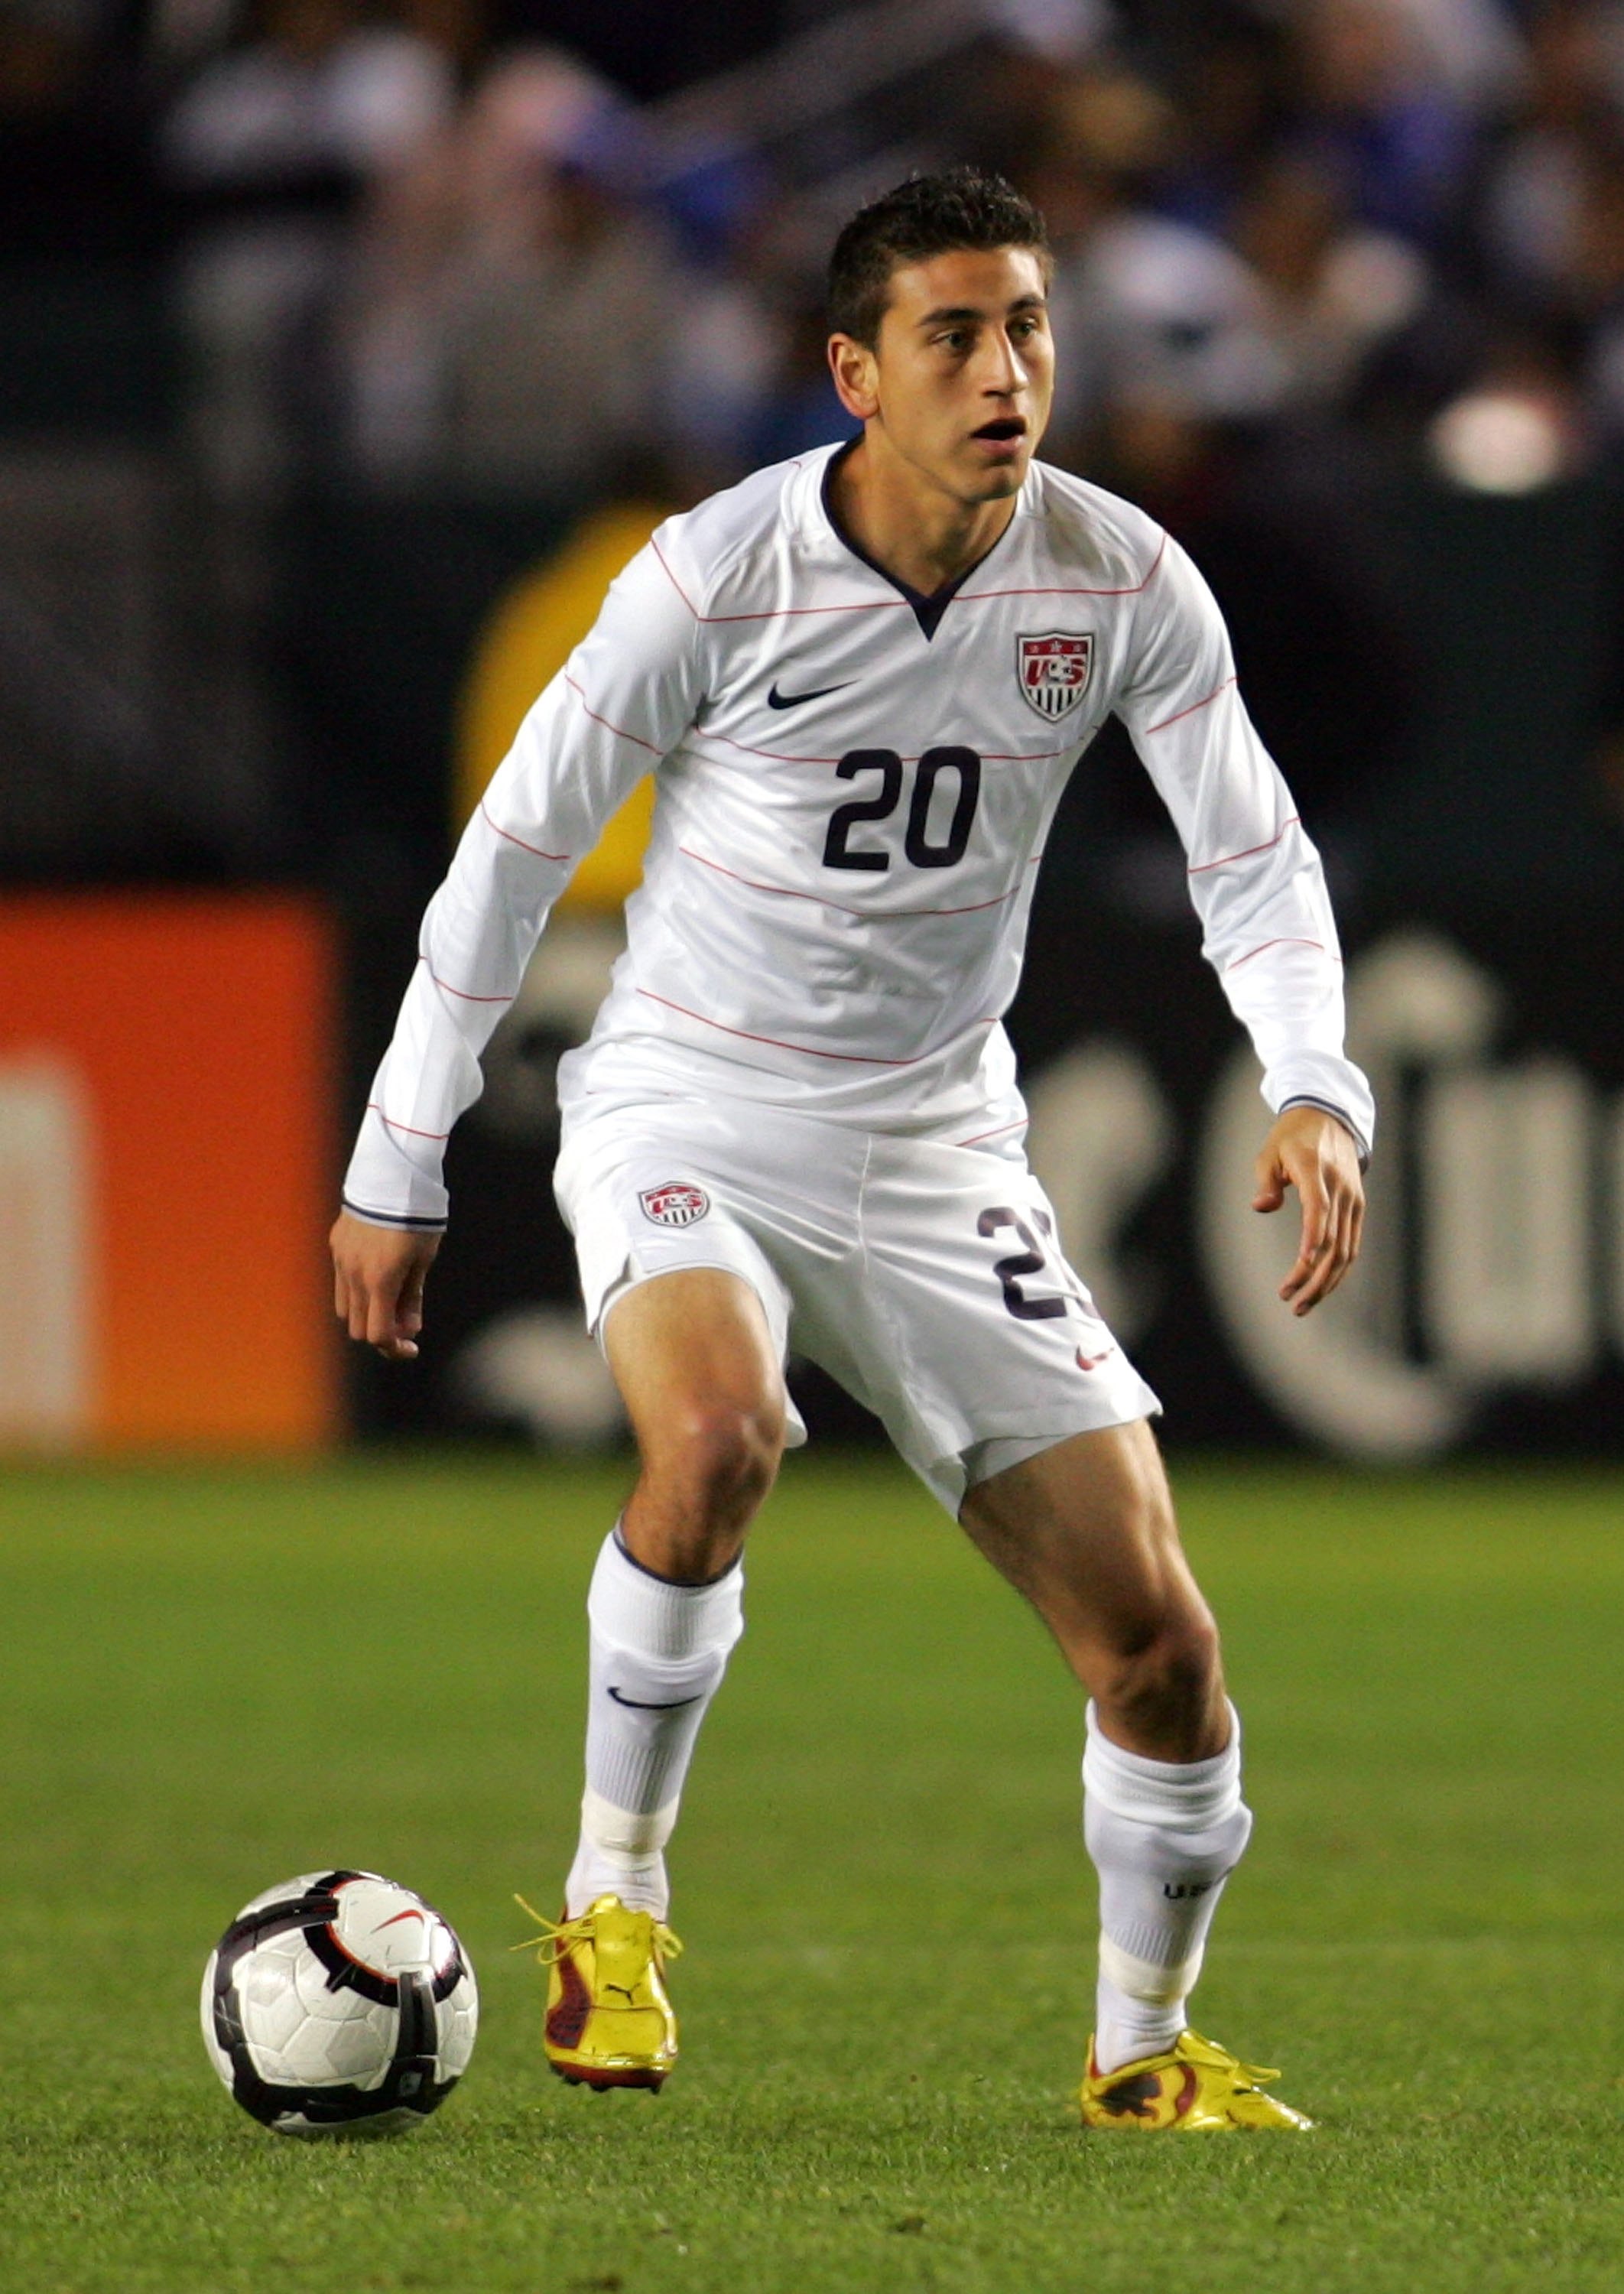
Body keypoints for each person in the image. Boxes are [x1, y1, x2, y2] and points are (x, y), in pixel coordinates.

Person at [330, 167, 1371, 2132]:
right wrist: (402, 1159)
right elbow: (515, 853)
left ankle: (1142, 2053)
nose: (1006, 371)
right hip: (693, 1103)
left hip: (937, 1144)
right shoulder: (714, 573)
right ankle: (614, 1906)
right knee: (721, 1437)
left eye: (1029, 326)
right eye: (953, 335)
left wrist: (1316, 1080)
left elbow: (1252, 852)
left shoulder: (1120, 578)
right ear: (853, 374)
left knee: (1161, 1652)